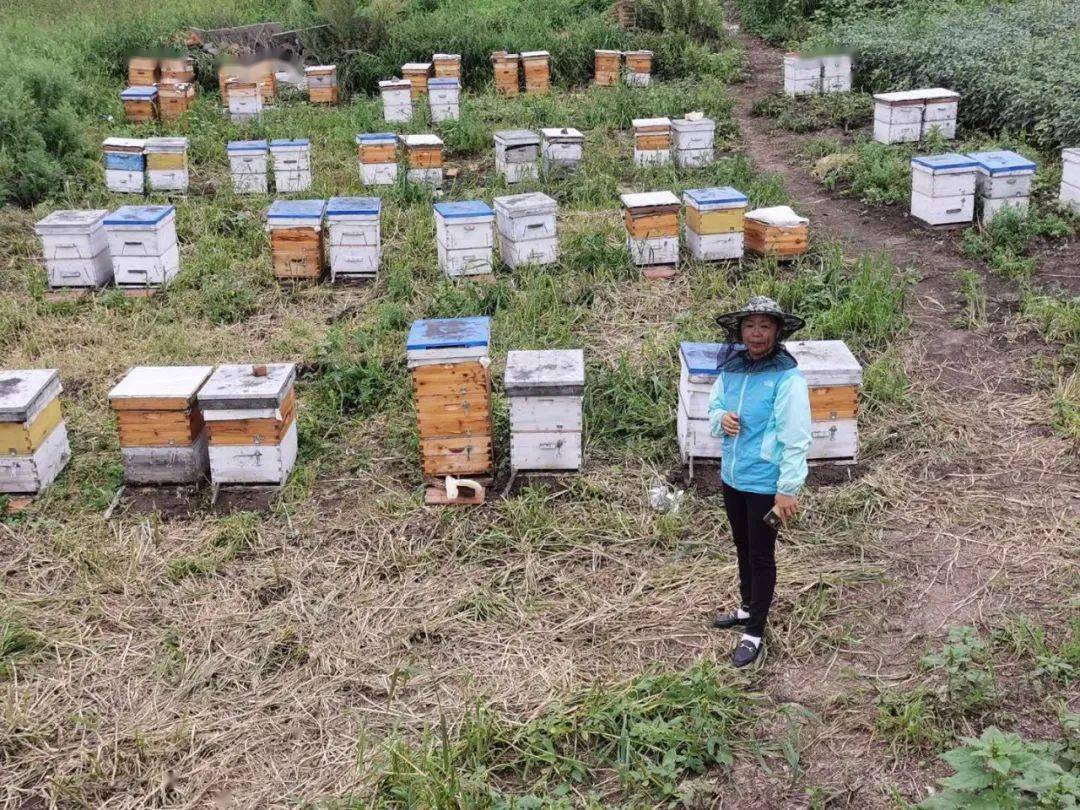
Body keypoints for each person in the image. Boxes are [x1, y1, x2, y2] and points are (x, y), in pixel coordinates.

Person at [707, 296, 812, 668]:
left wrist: (788, 488)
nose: (756, 334)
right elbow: (713, 405)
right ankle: (746, 607)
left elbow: (796, 436)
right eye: (750, 326)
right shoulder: (732, 369)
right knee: (741, 544)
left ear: (777, 332)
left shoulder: (787, 378)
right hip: (733, 477)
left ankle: (754, 631)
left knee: (761, 555)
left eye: (764, 326)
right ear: (740, 330)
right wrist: (720, 418)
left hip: (766, 482)